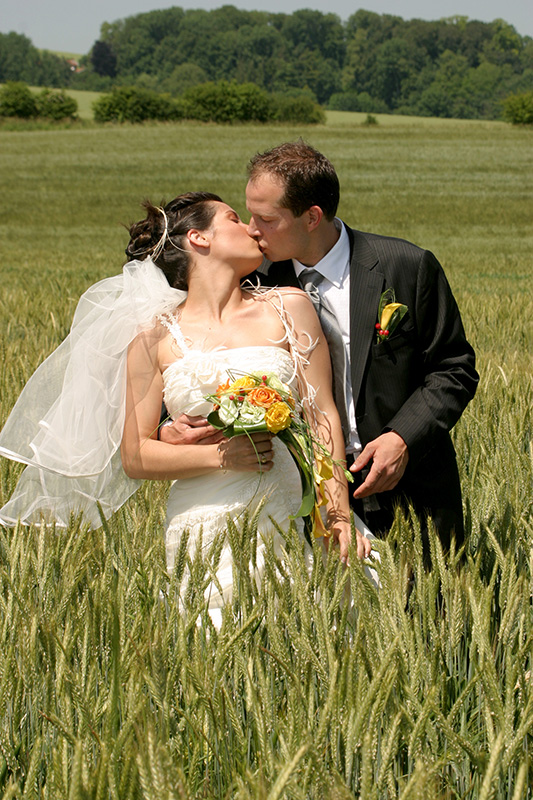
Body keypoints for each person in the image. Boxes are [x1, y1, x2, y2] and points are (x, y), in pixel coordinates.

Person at [0, 191, 372, 623]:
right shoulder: (152, 336)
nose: (252, 228)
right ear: (198, 238)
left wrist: (336, 514)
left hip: (288, 509)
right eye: (234, 218)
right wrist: (218, 455)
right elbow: (135, 456)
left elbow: (321, 415)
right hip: (204, 520)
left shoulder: (289, 306)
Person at [240, 140, 479, 563]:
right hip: (297, 493)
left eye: (266, 218)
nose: (251, 228)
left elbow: (453, 368)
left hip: (410, 483)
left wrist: (402, 438)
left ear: (312, 216)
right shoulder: (251, 285)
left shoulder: (406, 265)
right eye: (249, 214)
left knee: (429, 618)